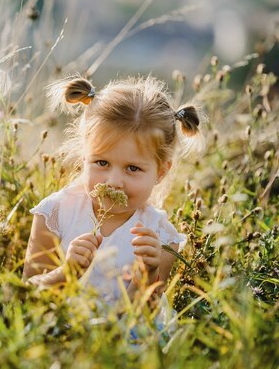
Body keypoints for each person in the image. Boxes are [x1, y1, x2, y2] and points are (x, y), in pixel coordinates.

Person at [22, 75, 202, 310]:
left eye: (133, 168)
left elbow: (144, 315)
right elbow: (26, 292)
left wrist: (147, 275)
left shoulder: (160, 237)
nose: (114, 182)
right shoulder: (56, 213)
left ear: (161, 172)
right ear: (85, 157)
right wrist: (65, 273)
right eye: (102, 163)